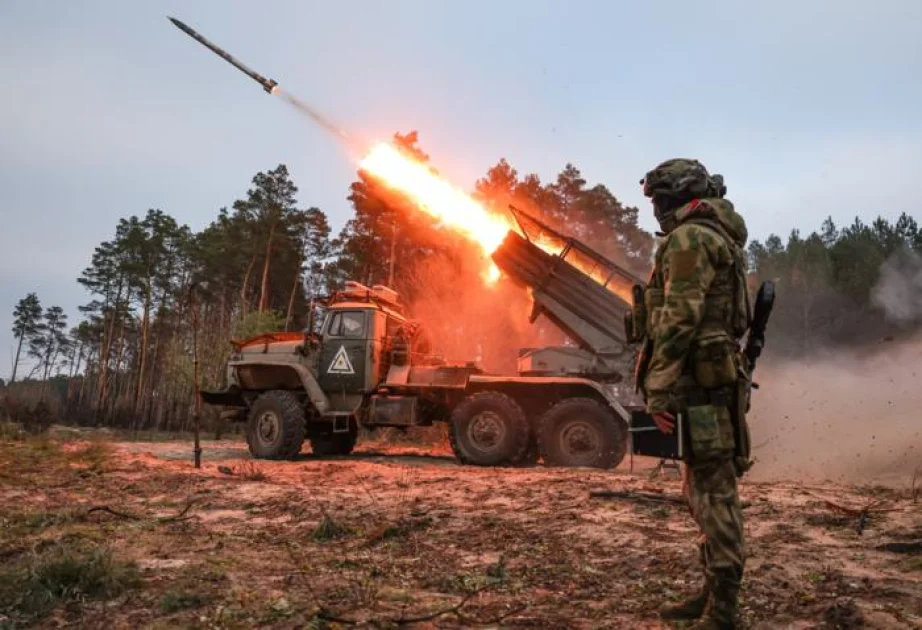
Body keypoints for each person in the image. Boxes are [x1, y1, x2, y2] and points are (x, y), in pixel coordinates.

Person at [634, 159, 753, 630]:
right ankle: (712, 593)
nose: (656, 209)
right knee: (701, 489)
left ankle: (723, 611)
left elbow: (679, 318)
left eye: (660, 200)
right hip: (708, 383)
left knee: (714, 494)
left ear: (677, 197)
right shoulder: (711, 234)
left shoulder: (690, 239)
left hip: (699, 387)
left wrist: (658, 388)